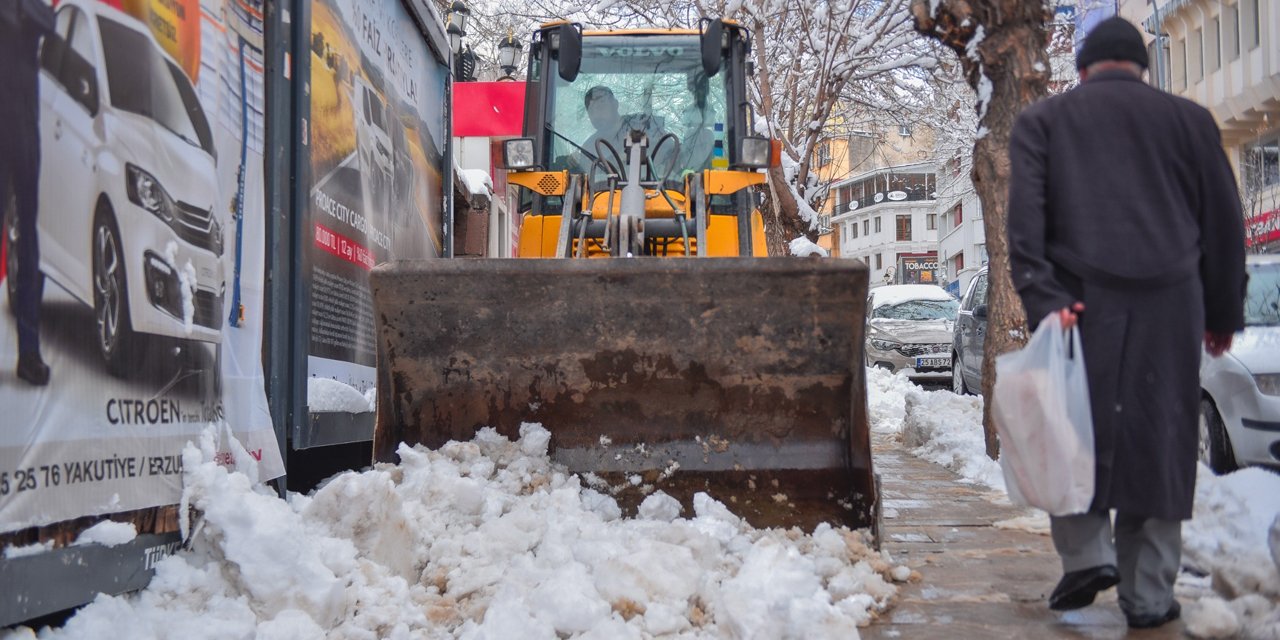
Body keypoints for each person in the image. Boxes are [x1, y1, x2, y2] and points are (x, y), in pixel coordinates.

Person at [1007, 17, 1247, 630]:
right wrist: (1221, 314)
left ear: (1082, 68)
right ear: (1140, 66)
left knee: (1070, 431)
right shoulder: (1190, 122)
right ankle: (1148, 596)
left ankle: (1087, 557)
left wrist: (1045, 298)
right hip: (1171, 307)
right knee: (1159, 442)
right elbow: (1224, 226)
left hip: (1079, 307)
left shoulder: (1043, 122)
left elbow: (1025, 226)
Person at [1, 0, 55, 386]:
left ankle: (29, 352)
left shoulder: (30, 8)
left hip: (25, 129)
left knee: (28, 240)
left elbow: (48, 20)